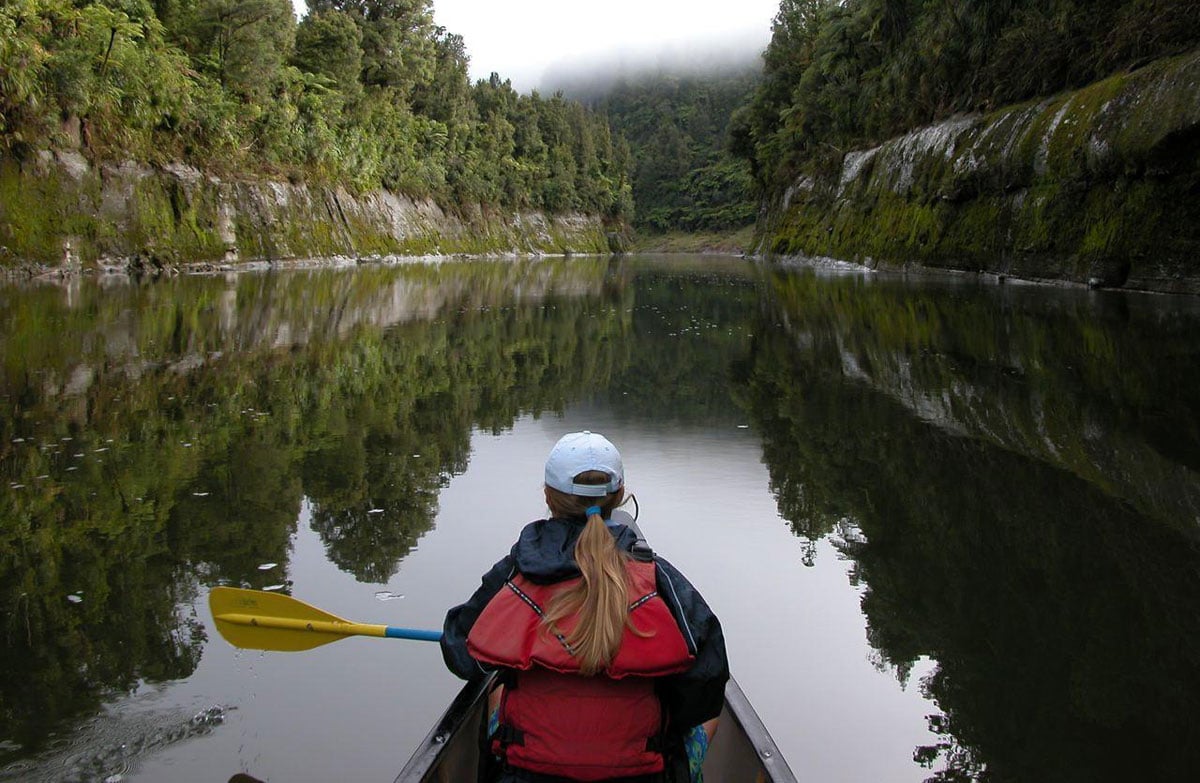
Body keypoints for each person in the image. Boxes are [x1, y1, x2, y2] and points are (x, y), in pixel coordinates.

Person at [441, 431, 729, 783]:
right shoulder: (657, 577)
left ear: (548, 497)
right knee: (711, 714)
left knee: (496, 686)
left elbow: (462, 651)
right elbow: (709, 674)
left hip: (527, 774)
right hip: (640, 775)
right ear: (619, 496)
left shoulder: (517, 571)